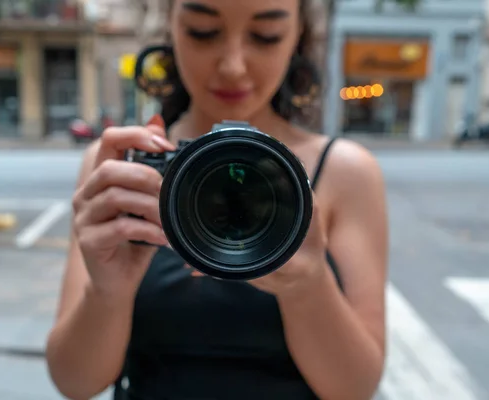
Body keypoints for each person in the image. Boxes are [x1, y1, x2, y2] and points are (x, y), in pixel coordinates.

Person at [45, 0, 389, 399]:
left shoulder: (346, 172)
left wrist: (307, 286)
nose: (233, 66)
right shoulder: (121, 169)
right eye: (203, 31)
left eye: (265, 36)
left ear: (298, 35)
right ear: (170, 25)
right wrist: (108, 292)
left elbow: (355, 388)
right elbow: (75, 382)